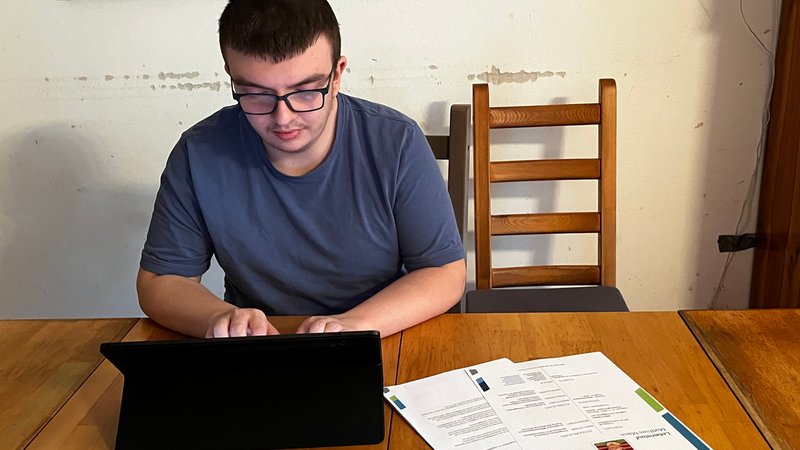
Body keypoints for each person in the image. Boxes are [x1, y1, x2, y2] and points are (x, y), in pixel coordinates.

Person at [136, 0, 465, 339]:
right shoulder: (199, 153)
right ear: (231, 76)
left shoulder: (396, 142)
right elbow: (161, 280)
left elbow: (443, 270)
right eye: (256, 94)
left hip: (379, 333)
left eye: (306, 92)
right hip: (258, 349)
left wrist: (354, 326)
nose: (283, 118)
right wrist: (222, 318)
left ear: (337, 75)